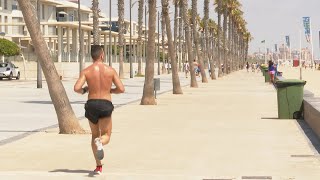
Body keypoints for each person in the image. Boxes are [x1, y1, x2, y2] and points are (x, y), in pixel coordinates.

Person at [74, 45, 125, 175]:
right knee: (106, 136)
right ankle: (100, 142)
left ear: (92, 56)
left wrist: (85, 89)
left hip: (91, 104)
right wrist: (110, 90)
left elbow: (77, 88)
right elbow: (121, 89)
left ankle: (98, 166)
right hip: (105, 104)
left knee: (94, 134)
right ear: (102, 55)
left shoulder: (86, 71)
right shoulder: (110, 70)